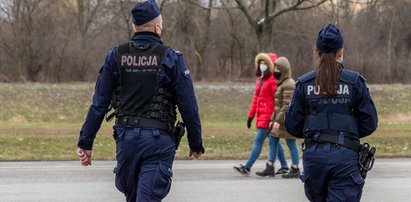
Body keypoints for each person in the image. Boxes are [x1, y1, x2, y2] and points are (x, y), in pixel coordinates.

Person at [76, 1, 205, 201]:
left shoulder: (115, 56)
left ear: (134, 27)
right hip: (158, 142)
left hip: (126, 141)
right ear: (158, 27)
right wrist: (195, 143)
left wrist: (86, 142)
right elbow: (188, 104)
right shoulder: (171, 58)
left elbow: (99, 103)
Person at [285, 23, 378, 201]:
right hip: (345, 158)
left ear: (316, 51)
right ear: (341, 51)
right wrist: (347, 134)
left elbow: (292, 126)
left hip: (314, 159)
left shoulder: (304, 84)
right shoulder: (355, 82)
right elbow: (370, 123)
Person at [233, 52, 288, 176]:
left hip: (268, 117)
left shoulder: (273, 81)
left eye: (265, 63)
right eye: (260, 63)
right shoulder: (260, 79)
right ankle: (284, 166)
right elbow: (256, 99)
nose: (262, 65)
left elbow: (277, 100)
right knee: (275, 142)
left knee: (258, 141)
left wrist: (274, 118)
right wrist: (250, 116)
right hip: (261, 116)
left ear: (270, 65)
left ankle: (247, 167)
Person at [259, 56, 301, 178]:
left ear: (284, 69)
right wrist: (272, 119)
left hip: (287, 120)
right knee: (272, 139)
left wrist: (278, 121)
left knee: (291, 142)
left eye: (278, 68)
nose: (275, 70)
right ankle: (270, 166)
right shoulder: (281, 82)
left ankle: (295, 168)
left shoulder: (289, 84)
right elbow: (277, 105)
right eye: (275, 67)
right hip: (278, 119)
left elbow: (287, 105)